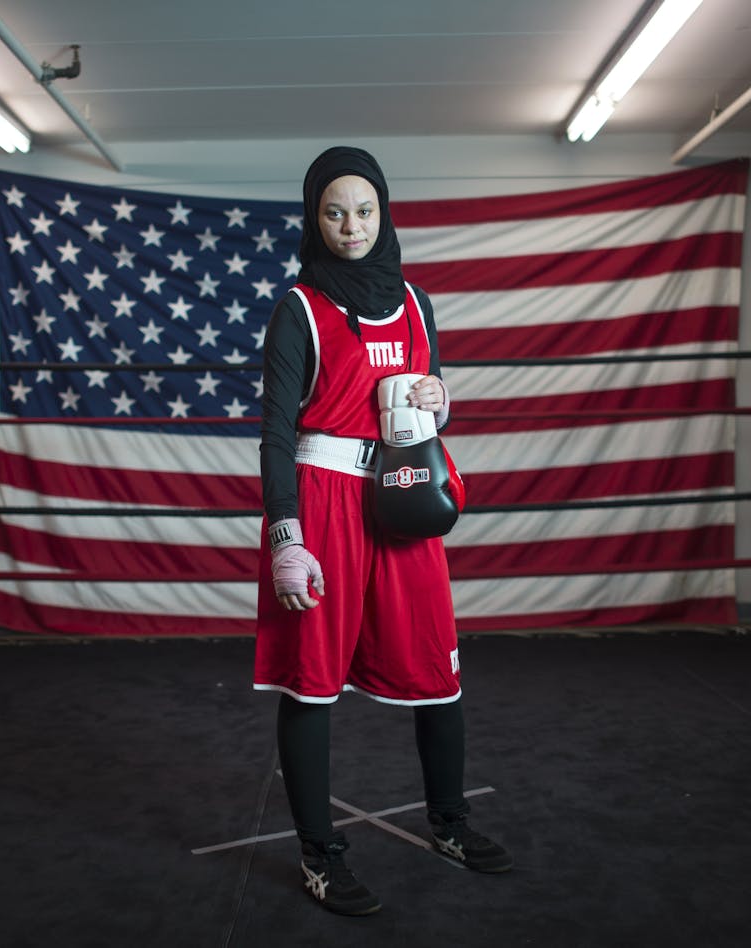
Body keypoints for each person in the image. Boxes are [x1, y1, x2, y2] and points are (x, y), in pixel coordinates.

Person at [254, 146, 510, 917]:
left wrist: (442, 401)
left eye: (364, 209)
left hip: (402, 489)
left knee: (439, 668)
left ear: (385, 211)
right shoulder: (299, 306)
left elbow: (428, 409)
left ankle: (451, 823)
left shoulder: (415, 301)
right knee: (312, 678)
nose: (351, 225)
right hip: (326, 497)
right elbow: (273, 432)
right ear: (314, 218)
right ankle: (320, 857)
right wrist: (285, 538)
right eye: (334, 211)